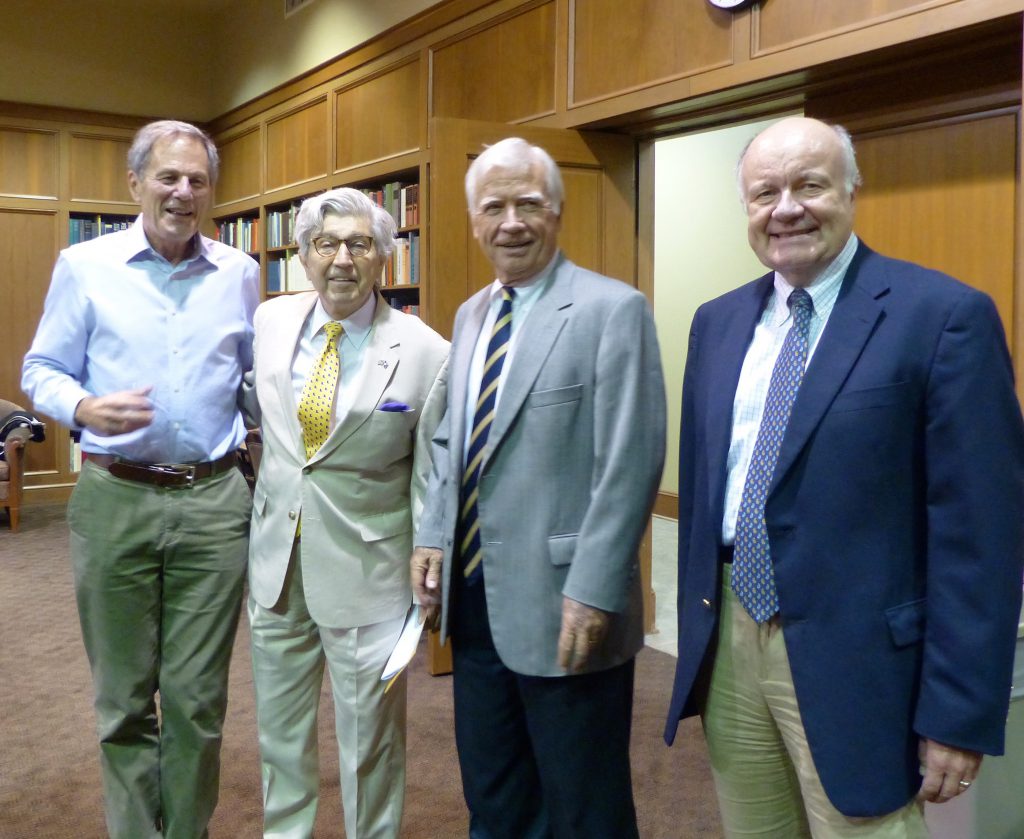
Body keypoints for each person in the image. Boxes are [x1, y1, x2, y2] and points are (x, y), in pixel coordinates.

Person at [665, 116, 1024, 837]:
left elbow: (982, 535)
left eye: (810, 185)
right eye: (765, 191)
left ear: (852, 190)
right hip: (730, 634)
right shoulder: (718, 322)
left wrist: (958, 709)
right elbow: (708, 497)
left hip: (860, 650)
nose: (786, 207)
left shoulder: (942, 316)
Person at [411, 137, 666, 839]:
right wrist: (433, 534)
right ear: (473, 221)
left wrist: (594, 586)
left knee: (585, 803)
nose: (511, 221)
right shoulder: (471, 315)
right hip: (475, 599)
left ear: (556, 210)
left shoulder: (613, 310)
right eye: (494, 206)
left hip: (567, 602)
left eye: (528, 203)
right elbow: (449, 440)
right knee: (494, 794)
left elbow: (631, 462)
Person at [21, 120, 258, 839]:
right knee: (123, 698)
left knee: (197, 699)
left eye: (197, 179)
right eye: (168, 177)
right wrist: (83, 405)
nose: (183, 192)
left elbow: (251, 378)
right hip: (114, 495)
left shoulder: (241, 273)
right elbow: (41, 370)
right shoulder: (85, 264)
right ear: (135, 184)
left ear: (211, 190)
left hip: (216, 502)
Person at [243, 187, 449, 838]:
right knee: (280, 734)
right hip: (277, 566)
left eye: (360, 244)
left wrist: (430, 556)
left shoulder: (424, 351)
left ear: (385, 256)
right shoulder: (271, 322)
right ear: (302, 254)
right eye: (326, 244)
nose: (341, 259)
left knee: (370, 747)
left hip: (370, 573)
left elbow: (434, 471)